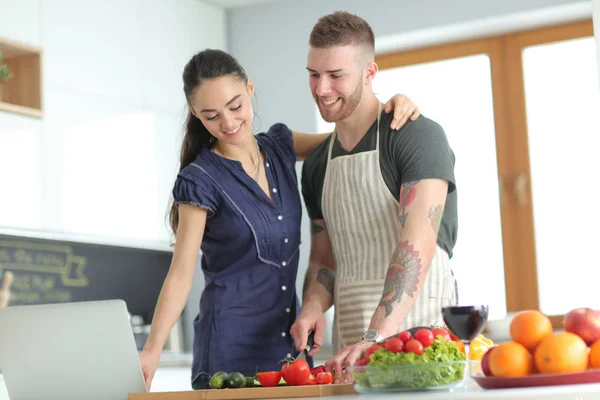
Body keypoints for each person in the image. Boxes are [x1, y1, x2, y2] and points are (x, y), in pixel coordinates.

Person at [137, 48, 421, 391]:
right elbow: (181, 274)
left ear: (250, 88)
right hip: (229, 352)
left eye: (235, 106)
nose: (227, 123)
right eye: (211, 116)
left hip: (291, 348)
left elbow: (349, 139)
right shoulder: (199, 181)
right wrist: (152, 350)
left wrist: (390, 108)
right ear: (196, 114)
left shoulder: (279, 146)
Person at [291, 11, 459, 383]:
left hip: (422, 342)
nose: (321, 89)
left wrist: (376, 336)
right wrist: (313, 307)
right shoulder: (318, 163)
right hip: (350, 352)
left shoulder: (417, 137)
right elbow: (324, 260)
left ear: (369, 73)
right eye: (313, 74)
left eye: (336, 76)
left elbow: (416, 244)